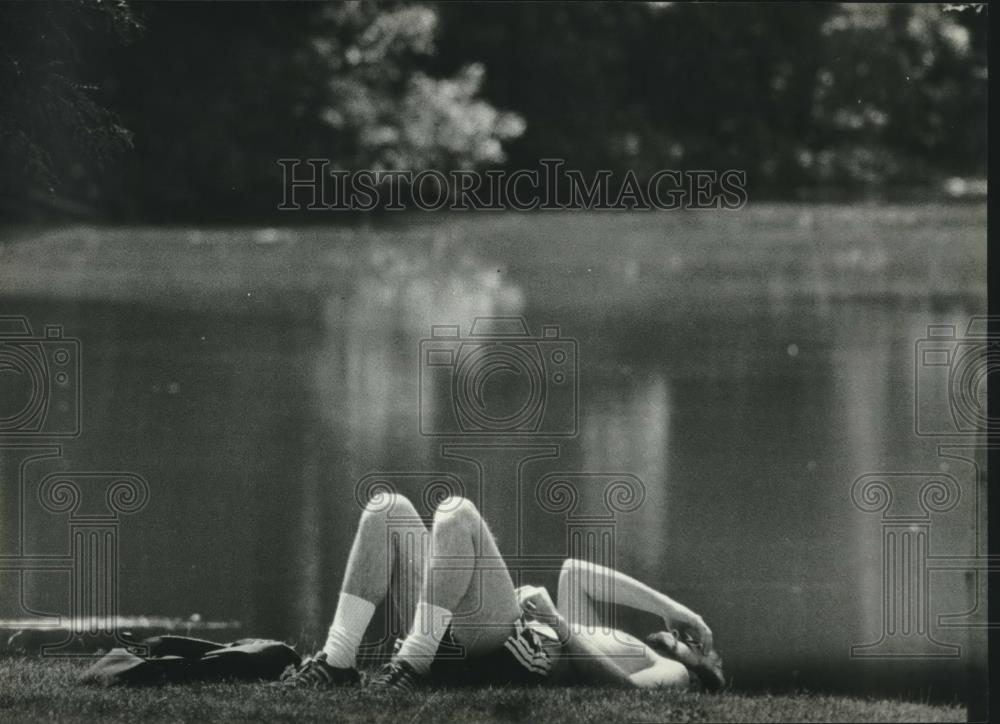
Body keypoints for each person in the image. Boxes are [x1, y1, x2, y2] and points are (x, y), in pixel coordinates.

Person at [279, 493, 724, 691]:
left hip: (517, 651)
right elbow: (575, 572)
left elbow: (624, 692)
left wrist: (559, 627)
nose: (704, 646)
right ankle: (337, 662)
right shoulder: (618, 638)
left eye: (710, 653)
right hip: (476, 635)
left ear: (706, 673)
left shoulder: (676, 674)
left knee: (459, 513)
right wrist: (674, 609)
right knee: (387, 509)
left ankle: (412, 664)